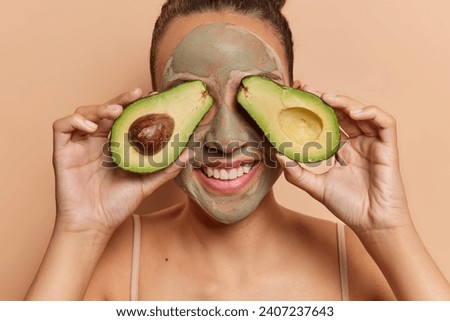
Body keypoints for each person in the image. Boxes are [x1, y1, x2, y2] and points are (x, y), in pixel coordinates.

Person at [26, 0, 450, 301]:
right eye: (192, 94)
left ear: (297, 101)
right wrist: (79, 231)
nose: (225, 141)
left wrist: (388, 229)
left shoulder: (363, 261)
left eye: (249, 93)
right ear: (147, 111)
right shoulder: (107, 265)